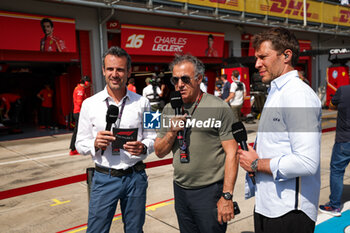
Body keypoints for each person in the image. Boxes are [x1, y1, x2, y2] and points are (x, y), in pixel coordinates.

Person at [237, 27, 322, 233]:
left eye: (263, 57)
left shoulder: (297, 95)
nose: (257, 64)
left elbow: (307, 162)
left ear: (286, 55)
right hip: (269, 205)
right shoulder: (277, 90)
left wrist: (256, 163)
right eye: (256, 58)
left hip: (289, 213)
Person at [154, 54, 239, 233]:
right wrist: (171, 132)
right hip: (181, 190)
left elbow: (232, 153)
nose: (179, 85)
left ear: (199, 79)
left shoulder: (218, 108)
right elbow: (159, 152)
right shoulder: (170, 108)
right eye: (175, 79)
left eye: (185, 79)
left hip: (210, 192)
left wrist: (227, 196)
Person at [75, 46, 156, 233]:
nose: (115, 74)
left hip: (135, 177)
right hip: (104, 178)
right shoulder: (89, 104)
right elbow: (79, 144)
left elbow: (154, 137)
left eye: (120, 69)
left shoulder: (144, 103)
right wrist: (94, 143)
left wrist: (143, 147)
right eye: (110, 69)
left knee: (135, 230)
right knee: (96, 230)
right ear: (103, 71)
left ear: (128, 72)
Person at [319, 84, 350, 217]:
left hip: (344, 140)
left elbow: (331, 105)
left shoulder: (343, 90)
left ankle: (334, 205)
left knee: (337, 171)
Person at [69, 76, 90, 156]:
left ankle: (73, 148)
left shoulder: (78, 88)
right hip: (79, 112)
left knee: (77, 131)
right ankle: (74, 149)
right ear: (86, 82)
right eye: (89, 82)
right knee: (78, 131)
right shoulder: (80, 90)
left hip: (77, 112)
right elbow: (79, 102)